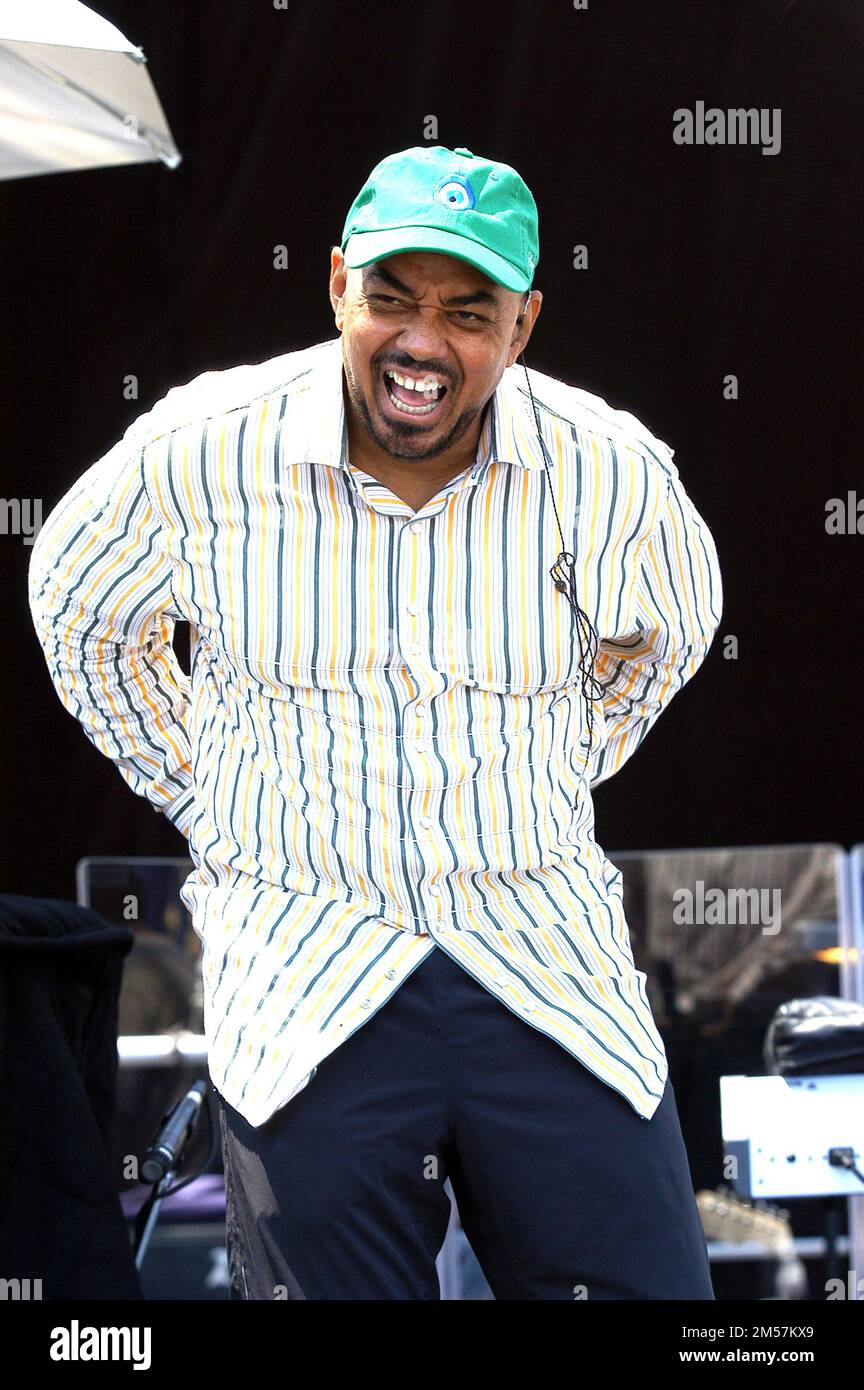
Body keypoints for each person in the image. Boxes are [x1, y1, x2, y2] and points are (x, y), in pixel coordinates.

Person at [29, 144, 722, 1300]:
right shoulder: (202, 451)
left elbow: (670, 632)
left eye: (469, 310)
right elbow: (81, 614)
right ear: (339, 285)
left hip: (543, 959)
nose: (422, 341)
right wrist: (206, 790)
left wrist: (566, 758)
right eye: (392, 297)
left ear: (525, 323)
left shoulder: (607, 471)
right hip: (309, 971)